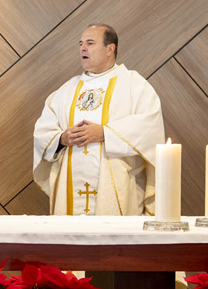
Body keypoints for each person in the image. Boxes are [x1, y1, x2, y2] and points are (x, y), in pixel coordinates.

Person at [33, 24, 164, 216]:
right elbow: (43, 132)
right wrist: (62, 139)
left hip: (117, 187)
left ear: (110, 49)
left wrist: (105, 133)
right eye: (81, 44)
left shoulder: (134, 86)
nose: (82, 48)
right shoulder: (66, 91)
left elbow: (150, 128)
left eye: (90, 43)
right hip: (68, 189)